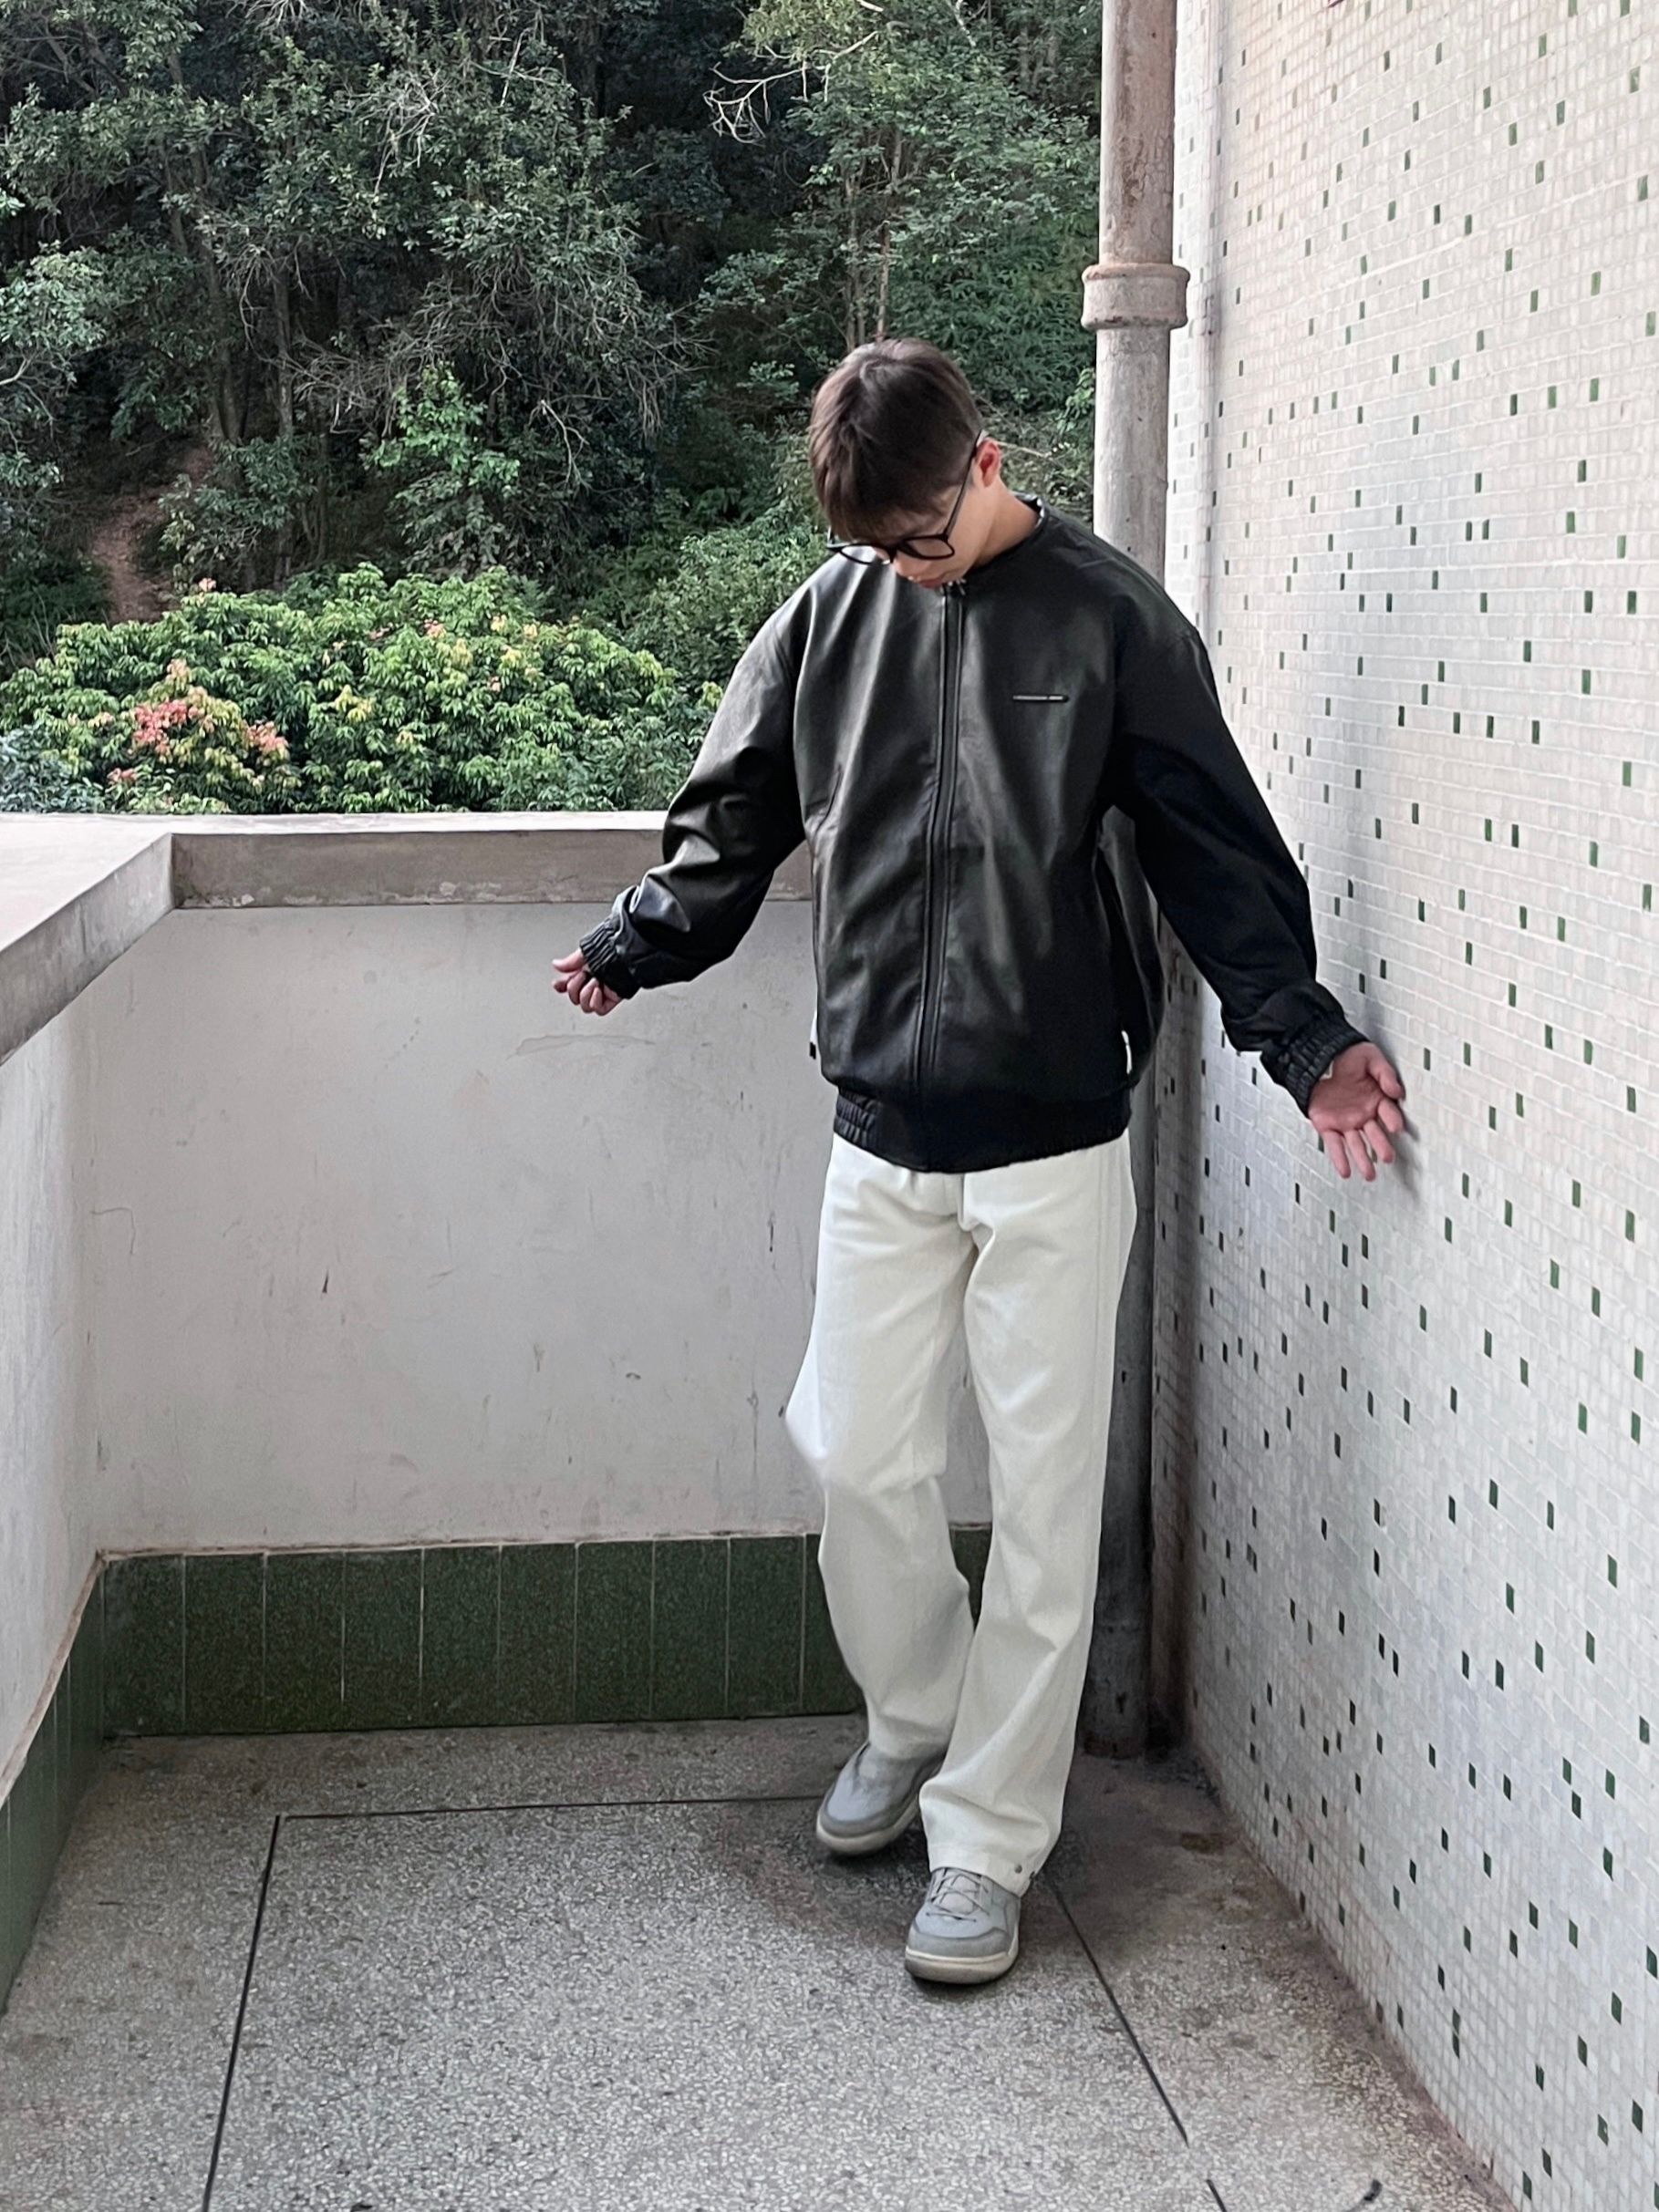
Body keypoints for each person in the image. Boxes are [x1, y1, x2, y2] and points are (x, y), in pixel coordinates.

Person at [554, 336, 1407, 1987]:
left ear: (990, 464)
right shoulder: (833, 614)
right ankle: (914, 1718)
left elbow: (1213, 849)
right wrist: (639, 941)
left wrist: (1302, 1041)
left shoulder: (1114, 623)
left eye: (925, 536)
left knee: (1042, 1497)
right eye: (880, 547)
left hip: (1054, 1136)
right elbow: (736, 813)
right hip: (881, 1124)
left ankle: (991, 1838)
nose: (908, 567)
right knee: (856, 1453)